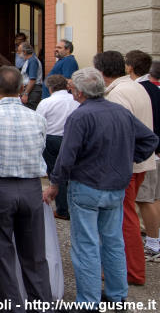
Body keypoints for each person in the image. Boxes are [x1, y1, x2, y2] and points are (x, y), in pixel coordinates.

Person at [43, 67, 158, 306]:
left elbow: (67, 156)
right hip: (115, 185)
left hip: (87, 185)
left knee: (86, 245)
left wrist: (55, 184)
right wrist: (127, 159)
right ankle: (117, 296)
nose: (70, 91)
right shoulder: (119, 112)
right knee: (113, 241)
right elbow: (150, 139)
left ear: (80, 92)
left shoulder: (80, 116)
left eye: (72, 88)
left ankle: (88, 301)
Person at [0, 66, 53, 312]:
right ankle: (42, 305)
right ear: (21, 89)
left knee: (3, 254)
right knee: (35, 254)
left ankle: (12, 307)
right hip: (31, 187)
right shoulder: (38, 117)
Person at [94, 50, 154, 285]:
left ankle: (131, 271)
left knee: (123, 219)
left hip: (125, 166)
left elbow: (120, 134)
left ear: (101, 72)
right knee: (124, 216)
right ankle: (130, 269)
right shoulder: (133, 86)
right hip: (136, 163)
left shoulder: (117, 94)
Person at [124, 50, 160, 262]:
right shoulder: (152, 89)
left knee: (146, 199)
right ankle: (155, 237)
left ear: (129, 67)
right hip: (154, 149)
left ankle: (154, 242)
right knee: (154, 197)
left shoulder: (139, 89)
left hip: (147, 152)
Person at [35, 75, 79, 220]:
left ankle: (63, 209)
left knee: (56, 173)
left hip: (52, 138)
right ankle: (75, 205)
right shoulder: (75, 101)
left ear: (50, 87)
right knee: (74, 173)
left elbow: (39, 123)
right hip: (72, 137)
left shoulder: (46, 102)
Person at [18, 42, 43, 110]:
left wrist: (26, 94)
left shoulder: (32, 61)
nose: (18, 53)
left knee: (29, 109)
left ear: (25, 52)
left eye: (19, 51)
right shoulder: (28, 61)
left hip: (33, 90)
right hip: (30, 89)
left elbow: (32, 79)